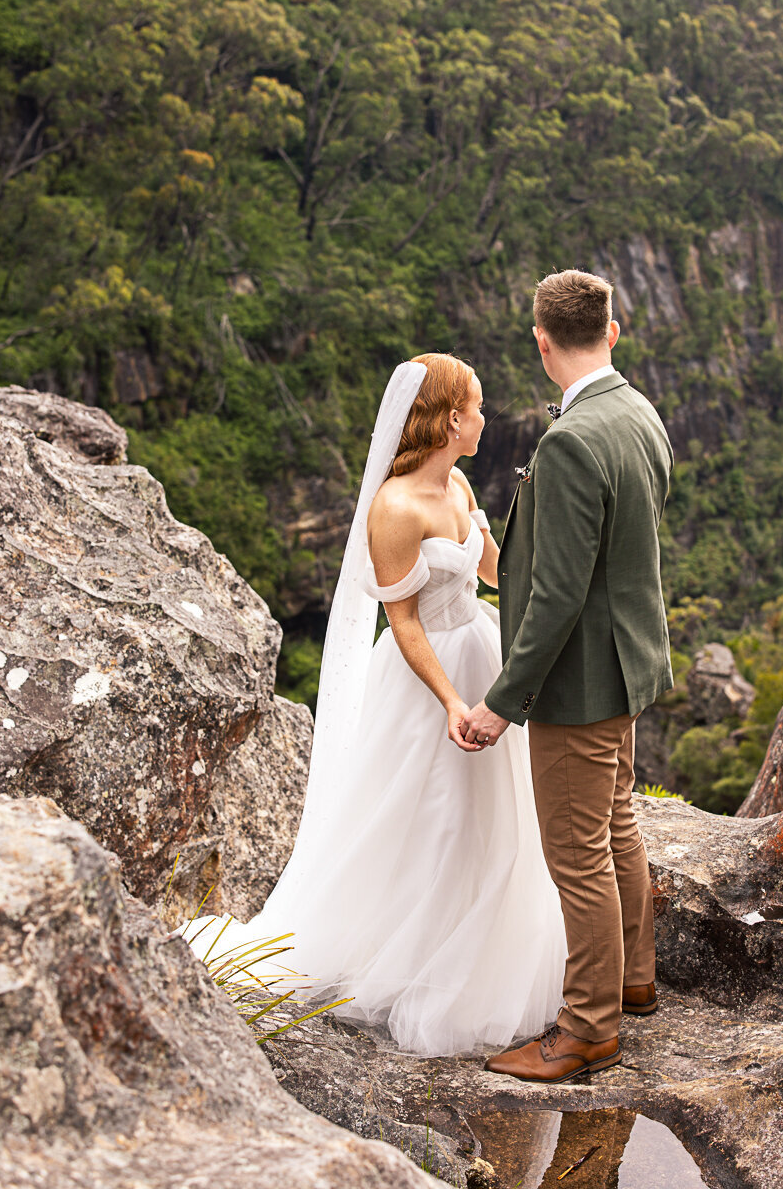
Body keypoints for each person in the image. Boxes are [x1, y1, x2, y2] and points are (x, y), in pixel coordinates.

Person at [180, 353, 566, 1057]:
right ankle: (410, 964)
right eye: (477, 408)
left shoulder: (458, 487)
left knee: (495, 820)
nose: (486, 419)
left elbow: (498, 572)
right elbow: (406, 623)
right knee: (434, 819)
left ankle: (471, 954)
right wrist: (453, 701)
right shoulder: (393, 508)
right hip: (428, 678)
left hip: (482, 648)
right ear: (452, 419)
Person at [461, 269, 674, 1084]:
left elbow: (554, 593)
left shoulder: (574, 440)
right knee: (616, 823)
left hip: (580, 681)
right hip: (627, 665)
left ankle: (588, 1031)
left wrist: (502, 703)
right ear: (612, 332)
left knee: (576, 853)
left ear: (543, 343)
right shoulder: (638, 413)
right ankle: (635, 978)